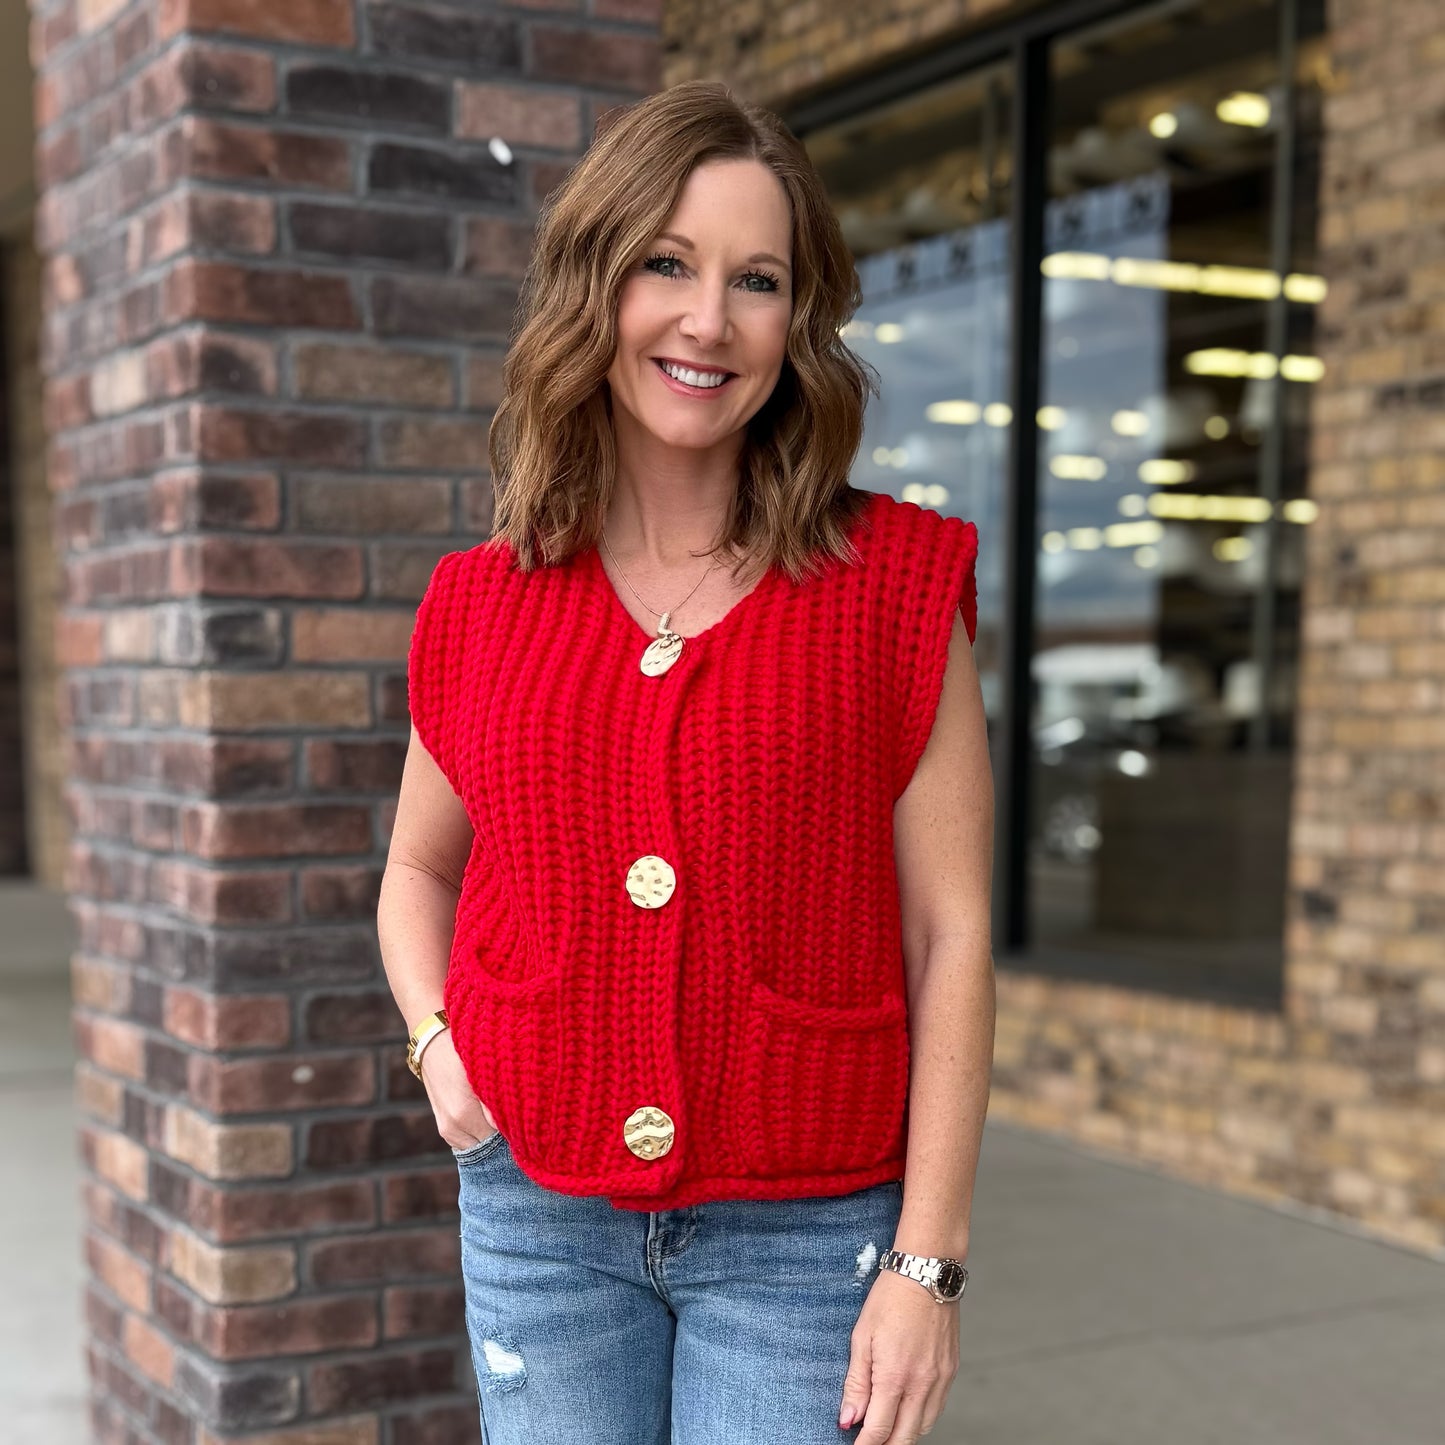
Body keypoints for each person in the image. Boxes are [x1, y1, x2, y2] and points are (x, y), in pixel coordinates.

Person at [377, 77, 995, 1445]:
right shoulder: (480, 602)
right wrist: (439, 1053)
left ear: (798, 320)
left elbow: (950, 932)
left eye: (756, 280)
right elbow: (417, 870)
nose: (709, 320)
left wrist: (928, 1261)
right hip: (537, 1211)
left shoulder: (893, 584)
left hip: (806, 1235)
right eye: (667, 263)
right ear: (594, 286)